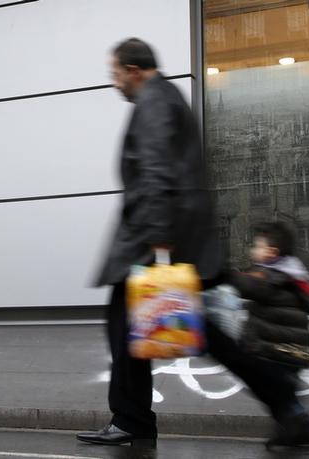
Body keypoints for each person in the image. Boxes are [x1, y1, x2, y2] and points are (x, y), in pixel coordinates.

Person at [76, 38, 221, 447]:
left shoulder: (155, 101)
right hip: (160, 237)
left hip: (148, 241)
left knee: (124, 330)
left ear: (134, 69)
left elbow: (156, 172)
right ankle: (133, 419)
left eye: (116, 74)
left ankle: (132, 420)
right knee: (141, 330)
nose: (115, 83)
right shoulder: (167, 95)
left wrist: (158, 242)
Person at [206, 221, 309, 448]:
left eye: (257, 246)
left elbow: (249, 285)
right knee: (280, 394)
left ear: (271, 252)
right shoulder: (289, 275)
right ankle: (295, 427)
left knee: (276, 390)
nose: (252, 250)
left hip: (277, 350)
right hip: (289, 349)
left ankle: (298, 424)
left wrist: (222, 274)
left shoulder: (275, 277)